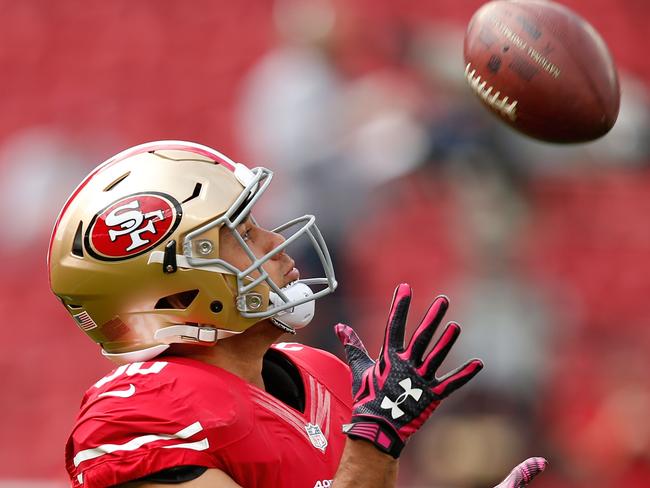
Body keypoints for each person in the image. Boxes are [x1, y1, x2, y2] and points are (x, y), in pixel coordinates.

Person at [49, 141, 546, 487]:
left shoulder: (322, 374)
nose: (275, 243)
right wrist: (373, 445)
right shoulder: (135, 415)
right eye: (241, 235)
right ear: (177, 297)